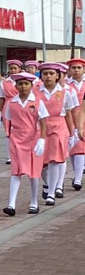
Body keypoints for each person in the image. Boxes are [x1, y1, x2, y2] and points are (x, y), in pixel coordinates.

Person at [1, 72, 47, 216]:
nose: (23, 87)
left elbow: (43, 122)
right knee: (16, 171)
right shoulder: (12, 103)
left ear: (31, 86)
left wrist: (42, 139)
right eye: (20, 84)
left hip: (33, 138)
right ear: (16, 86)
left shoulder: (37, 102)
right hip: (17, 138)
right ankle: (11, 204)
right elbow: (8, 120)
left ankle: (34, 202)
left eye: (26, 84)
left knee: (33, 172)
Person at [35, 62, 78, 204]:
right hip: (40, 128)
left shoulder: (65, 92)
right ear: (41, 76)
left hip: (58, 127)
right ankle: (47, 183)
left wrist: (72, 133)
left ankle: (51, 193)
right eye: (45, 73)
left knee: (54, 160)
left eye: (51, 73)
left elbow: (68, 113)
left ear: (57, 76)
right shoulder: (35, 91)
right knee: (41, 163)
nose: (48, 76)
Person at [0, 59, 23, 166]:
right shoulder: (4, 82)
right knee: (8, 132)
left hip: (21, 106)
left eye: (15, 68)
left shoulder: (24, 81)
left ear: (19, 69)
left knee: (21, 131)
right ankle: (10, 156)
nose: (13, 70)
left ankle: (21, 153)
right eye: (11, 68)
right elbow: (0, 98)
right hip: (8, 107)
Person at [66, 57, 85, 190]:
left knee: (80, 147)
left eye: (79, 68)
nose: (76, 70)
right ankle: (77, 176)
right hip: (70, 117)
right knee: (73, 147)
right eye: (74, 68)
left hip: (83, 116)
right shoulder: (66, 84)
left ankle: (78, 178)